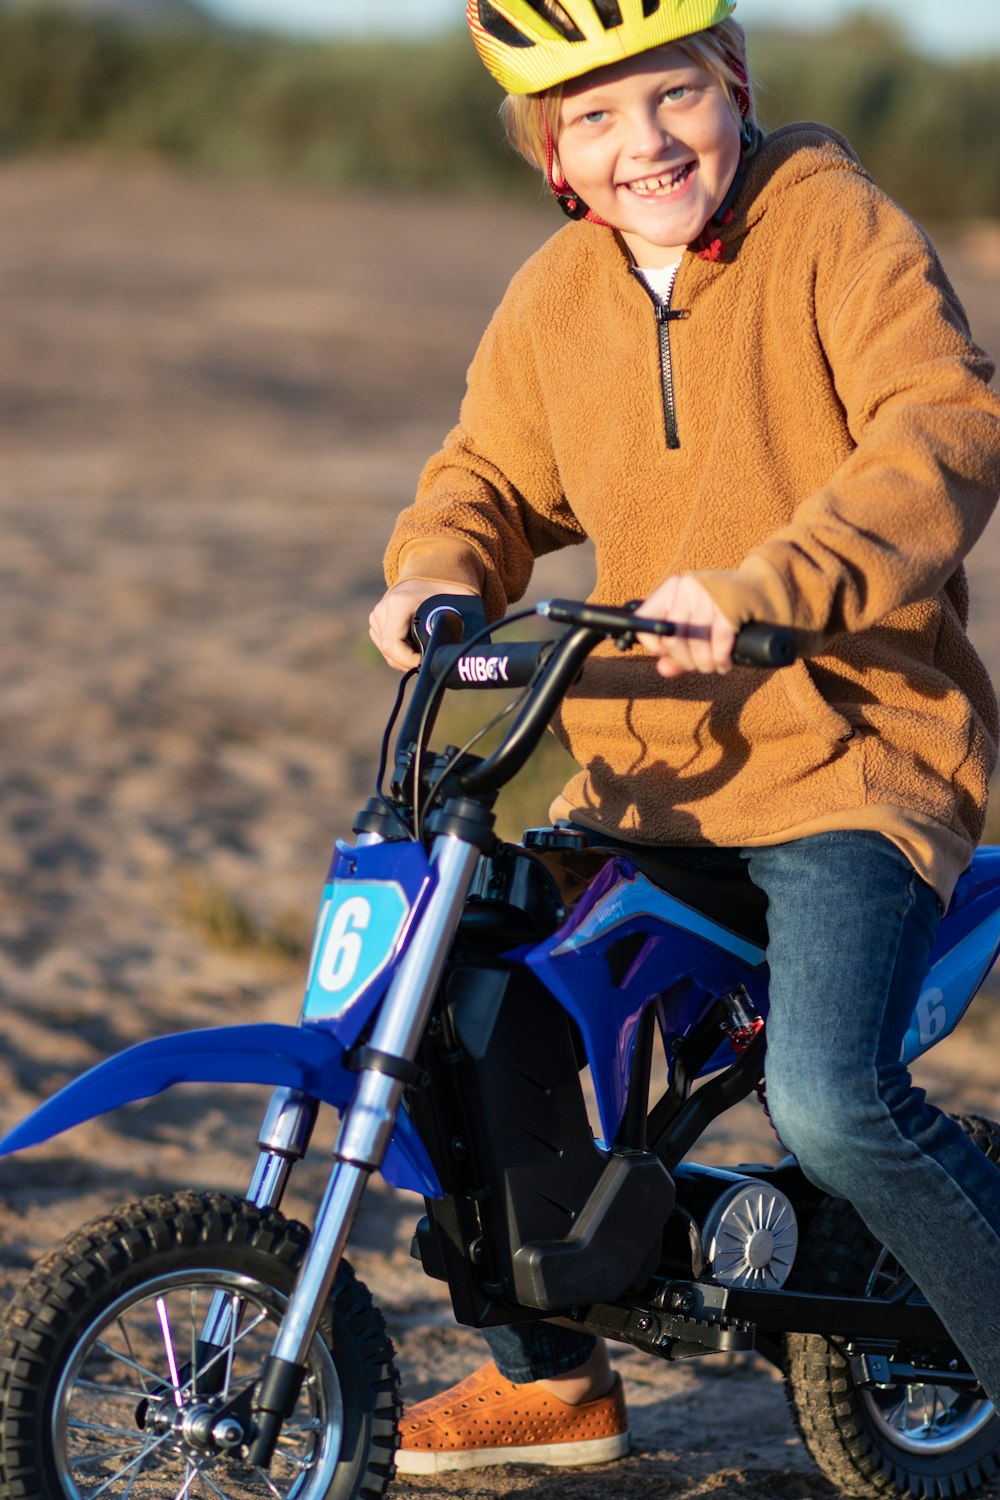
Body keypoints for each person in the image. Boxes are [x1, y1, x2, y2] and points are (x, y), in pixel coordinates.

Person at [369, 0, 1000, 1475]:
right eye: (594, 118)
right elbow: (487, 474)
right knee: (465, 1002)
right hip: (646, 765)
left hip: (852, 756)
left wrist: (773, 587)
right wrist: (439, 567)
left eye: (673, 97)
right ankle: (555, 1374)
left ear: (736, 84)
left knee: (834, 1104)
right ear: (553, 154)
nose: (643, 142)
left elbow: (944, 431)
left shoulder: (832, 226)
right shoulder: (555, 294)